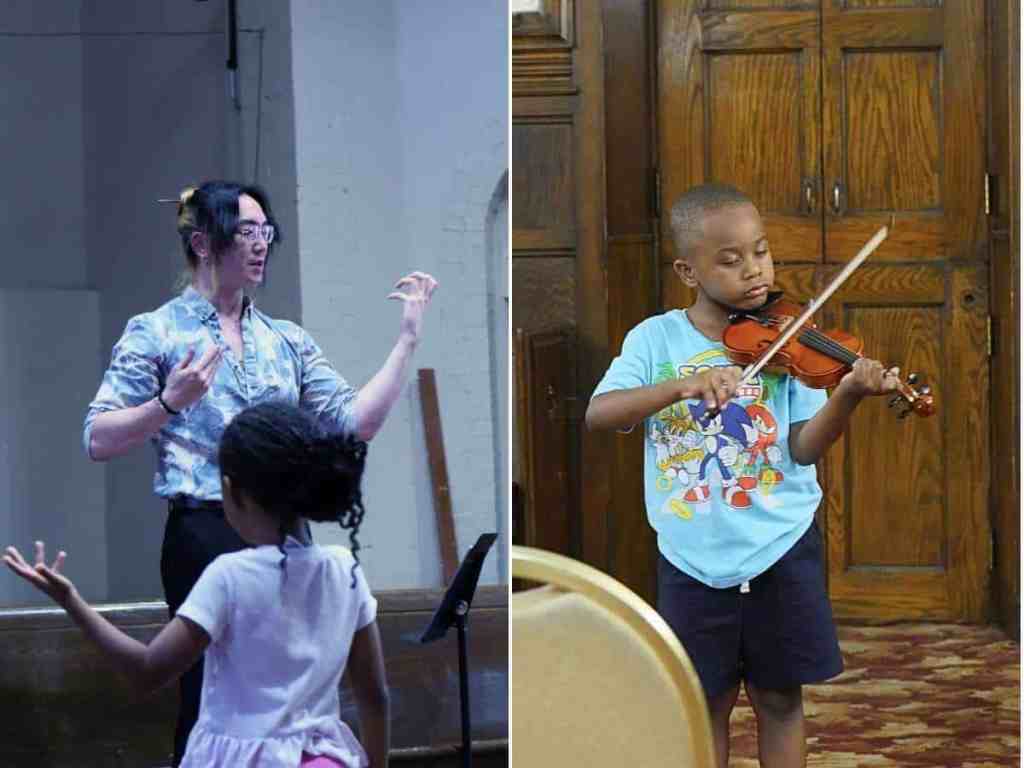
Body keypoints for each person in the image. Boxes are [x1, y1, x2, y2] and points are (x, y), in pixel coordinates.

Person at [82, 180, 436, 765]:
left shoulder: (287, 340)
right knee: (205, 699)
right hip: (202, 531)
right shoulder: (157, 331)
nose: (260, 243)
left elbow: (352, 424)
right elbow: (97, 438)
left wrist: (406, 342)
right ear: (201, 242)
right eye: (244, 231)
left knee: (290, 698)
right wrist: (167, 403)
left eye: (265, 231)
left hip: (285, 530)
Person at [585, 183, 900, 768]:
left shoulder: (786, 340)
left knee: (780, 700)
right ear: (688, 269)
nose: (754, 271)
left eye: (761, 252)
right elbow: (600, 413)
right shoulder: (656, 340)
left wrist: (849, 394)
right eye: (730, 260)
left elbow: (804, 448)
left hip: (780, 547)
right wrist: (681, 385)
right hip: (692, 556)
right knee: (702, 702)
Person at [7, 401, 388, 768]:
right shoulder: (344, 570)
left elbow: (146, 672)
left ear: (231, 490)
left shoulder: (231, 577)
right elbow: (374, 696)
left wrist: (71, 600)